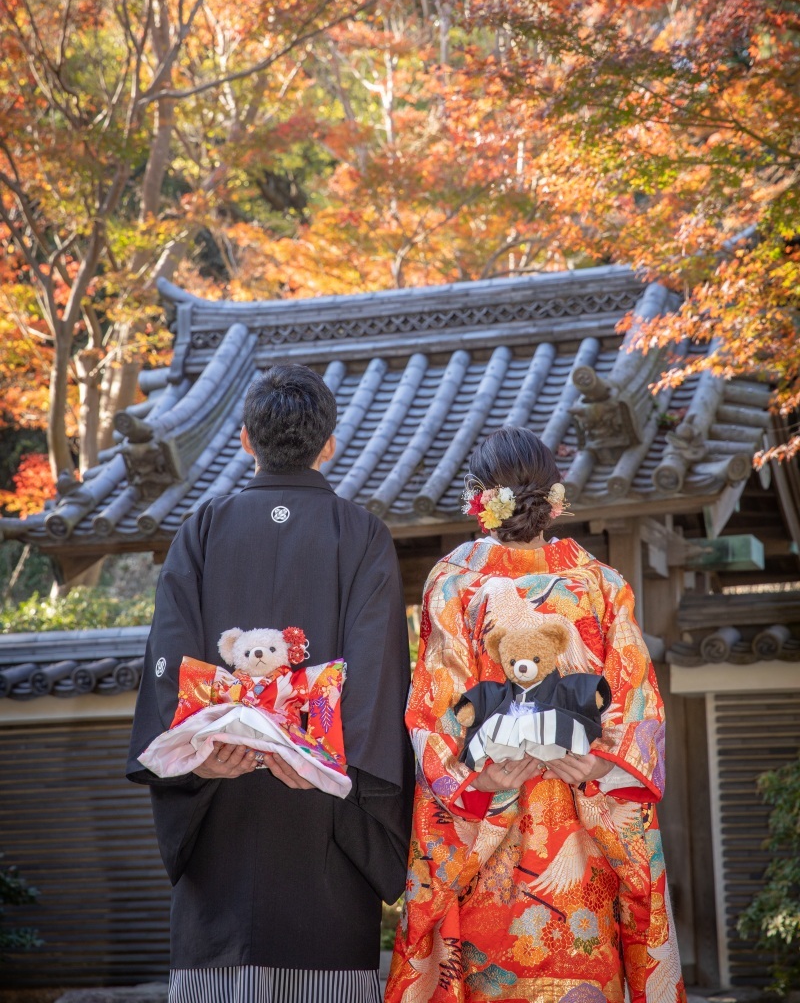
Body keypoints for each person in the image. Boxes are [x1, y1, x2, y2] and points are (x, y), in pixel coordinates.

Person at [127, 364, 413, 1003]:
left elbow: (170, 654)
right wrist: (323, 764)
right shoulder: (361, 534)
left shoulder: (202, 528)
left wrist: (193, 755)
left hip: (218, 793)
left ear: (245, 441)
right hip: (324, 814)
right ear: (328, 445)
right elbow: (377, 672)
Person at [385, 426, 686, 1003]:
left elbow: (436, 705)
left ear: (478, 497)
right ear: (555, 498)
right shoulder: (600, 582)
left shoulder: (453, 583)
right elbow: (636, 698)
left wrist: (479, 780)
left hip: (489, 826)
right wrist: (601, 766)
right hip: (586, 816)